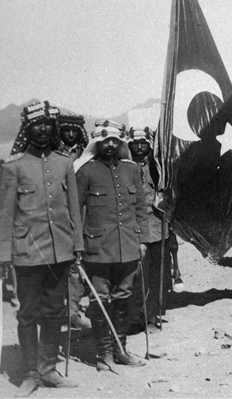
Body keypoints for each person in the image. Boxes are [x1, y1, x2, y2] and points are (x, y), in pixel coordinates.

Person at [0, 101, 82, 391]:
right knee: (28, 313)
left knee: (56, 311)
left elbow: (73, 211)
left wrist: (76, 247)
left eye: (47, 124)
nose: (42, 129)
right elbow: (5, 216)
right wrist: (1, 257)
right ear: (27, 128)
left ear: (54, 127)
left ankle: (48, 370)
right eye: (35, 125)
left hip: (59, 251)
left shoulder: (64, 163)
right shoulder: (13, 167)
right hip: (27, 254)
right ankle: (31, 373)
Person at [75, 119, 148, 370]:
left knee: (123, 297)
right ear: (96, 144)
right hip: (97, 249)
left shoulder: (131, 170)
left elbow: (140, 207)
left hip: (127, 245)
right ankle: (103, 353)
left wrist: (142, 240)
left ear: (120, 143)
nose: (110, 145)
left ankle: (121, 350)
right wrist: (77, 245)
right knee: (99, 299)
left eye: (114, 141)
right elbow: (76, 211)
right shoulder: (86, 171)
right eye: (104, 141)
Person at [126, 126, 170, 333]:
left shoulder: (157, 166)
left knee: (156, 276)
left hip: (157, 226)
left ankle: (152, 316)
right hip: (133, 229)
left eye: (144, 143)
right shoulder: (123, 167)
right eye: (136, 143)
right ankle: (134, 317)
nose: (140, 147)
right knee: (135, 276)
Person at [56, 112, 91, 331]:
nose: (70, 134)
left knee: (79, 265)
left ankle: (74, 311)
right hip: (60, 214)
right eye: (66, 130)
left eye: (74, 131)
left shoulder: (86, 154)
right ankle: (65, 311)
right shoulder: (54, 153)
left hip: (84, 213)